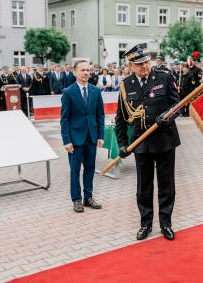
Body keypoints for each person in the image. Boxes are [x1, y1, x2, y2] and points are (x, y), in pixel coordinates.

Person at [115, 43, 180, 241]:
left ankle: (166, 223)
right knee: (144, 187)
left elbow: (178, 105)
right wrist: (122, 145)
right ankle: (145, 224)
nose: (144, 67)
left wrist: (167, 116)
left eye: (146, 62)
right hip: (141, 144)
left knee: (166, 184)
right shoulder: (126, 86)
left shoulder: (164, 77)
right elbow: (120, 118)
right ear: (130, 66)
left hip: (165, 141)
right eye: (139, 64)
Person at [60, 59, 105, 213]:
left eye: (88, 70)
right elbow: (64, 119)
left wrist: (100, 135)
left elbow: (100, 115)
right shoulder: (68, 92)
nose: (86, 73)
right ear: (75, 72)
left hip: (91, 137)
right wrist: (66, 140)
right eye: (82, 70)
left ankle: (88, 197)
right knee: (75, 170)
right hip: (75, 139)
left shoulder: (96, 91)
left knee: (90, 169)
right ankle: (77, 200)